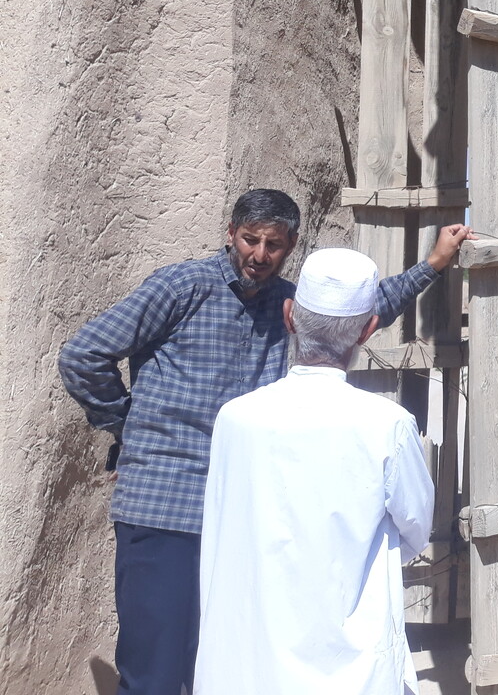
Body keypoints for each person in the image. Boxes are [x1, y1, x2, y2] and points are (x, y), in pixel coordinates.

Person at [57, 189, 472, 695]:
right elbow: (83, 355)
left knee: (228, 666)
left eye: (272, 244)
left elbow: (355, 314)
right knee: (155, 670)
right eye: (249, 240)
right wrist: (129, 426)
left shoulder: (287, 304)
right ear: (230, 233)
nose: (258, 254)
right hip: (166, 506)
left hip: (240, 521)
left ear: (291, 246)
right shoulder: (181, 287)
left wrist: (432, 263)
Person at [193, 248, 434, 695]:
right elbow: (416, 527)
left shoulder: (237, 418)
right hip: (350, 668)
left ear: (289, 317)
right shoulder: (387, 425)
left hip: (247, 659)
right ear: (368, 330)